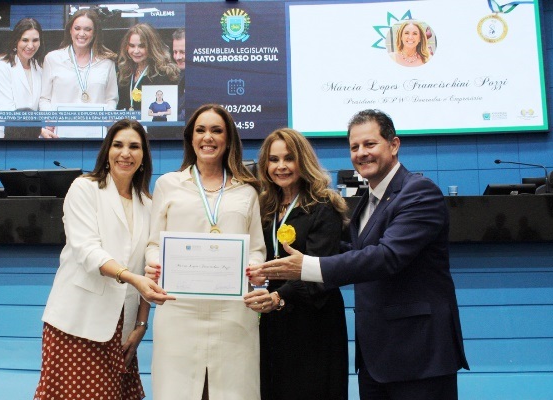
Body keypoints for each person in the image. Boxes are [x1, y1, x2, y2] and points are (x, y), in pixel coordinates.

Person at [253, 109, 469, 400]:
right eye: (354, 147)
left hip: (418, 353)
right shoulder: (369, 199)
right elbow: (355, 252)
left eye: (370, 144)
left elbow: (386, 256)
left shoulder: (419, 192)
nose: (361, 153)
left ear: (393, 145)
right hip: (377, 357)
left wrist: (309, 265)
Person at [33, 119, 175, 399]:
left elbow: (151, 266)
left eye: (134, 147)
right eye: (118, 145)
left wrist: (141, 325)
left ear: (144, 157)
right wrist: (131, 277)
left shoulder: (148, 203)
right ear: (107, 152)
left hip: (123, 328)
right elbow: (87, 250)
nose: (126, 153)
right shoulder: (84, 188)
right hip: (76, 323)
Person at [144, 104, 266, 399]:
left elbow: (257, 249)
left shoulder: (247, 190)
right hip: (179, 311)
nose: (207, 137)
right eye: (201, 130)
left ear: (228, 139)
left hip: (233, 314)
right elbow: (153, 244)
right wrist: (155, 265)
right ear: (190, 138)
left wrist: (254, 269)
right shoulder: (168, 184)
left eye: (216, 130)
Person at [243, 128, 349, 400]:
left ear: (303, 161)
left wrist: (279, 296)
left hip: (314, 318)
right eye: (273, 159)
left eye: (288, 158)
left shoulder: (324, 205)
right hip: (273, 318)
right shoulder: (264, 207)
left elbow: (321, 271)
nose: (281, 167)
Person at [39, 9, 118, 138]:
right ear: (70, 30)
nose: (82, 33)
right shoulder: (52, 58)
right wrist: (51, 120)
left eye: (87, 29)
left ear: (95, 33)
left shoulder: (107, 63)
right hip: (59, 133)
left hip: (96, 134)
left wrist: (106, 121)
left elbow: (111, 99)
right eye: (77, 28)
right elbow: (44, 99)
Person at [0, 18, 46, 138]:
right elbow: (7, 111)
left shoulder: (38, 68)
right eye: (25, 40)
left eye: (35, 40)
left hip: (26, 136)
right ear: (16, 41)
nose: (30, 46)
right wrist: (40, 130)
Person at [116, 23, 180, 112]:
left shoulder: (164, 74)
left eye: (142, 46)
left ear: (152, 46)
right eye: (132, 46)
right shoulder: (124, 72)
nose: (136, 51)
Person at [172, 28, 186, 121]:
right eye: (175, 52)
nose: (177, 57)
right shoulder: (175, 77)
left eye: (183, 52)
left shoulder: (202, 79)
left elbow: (185, 117)